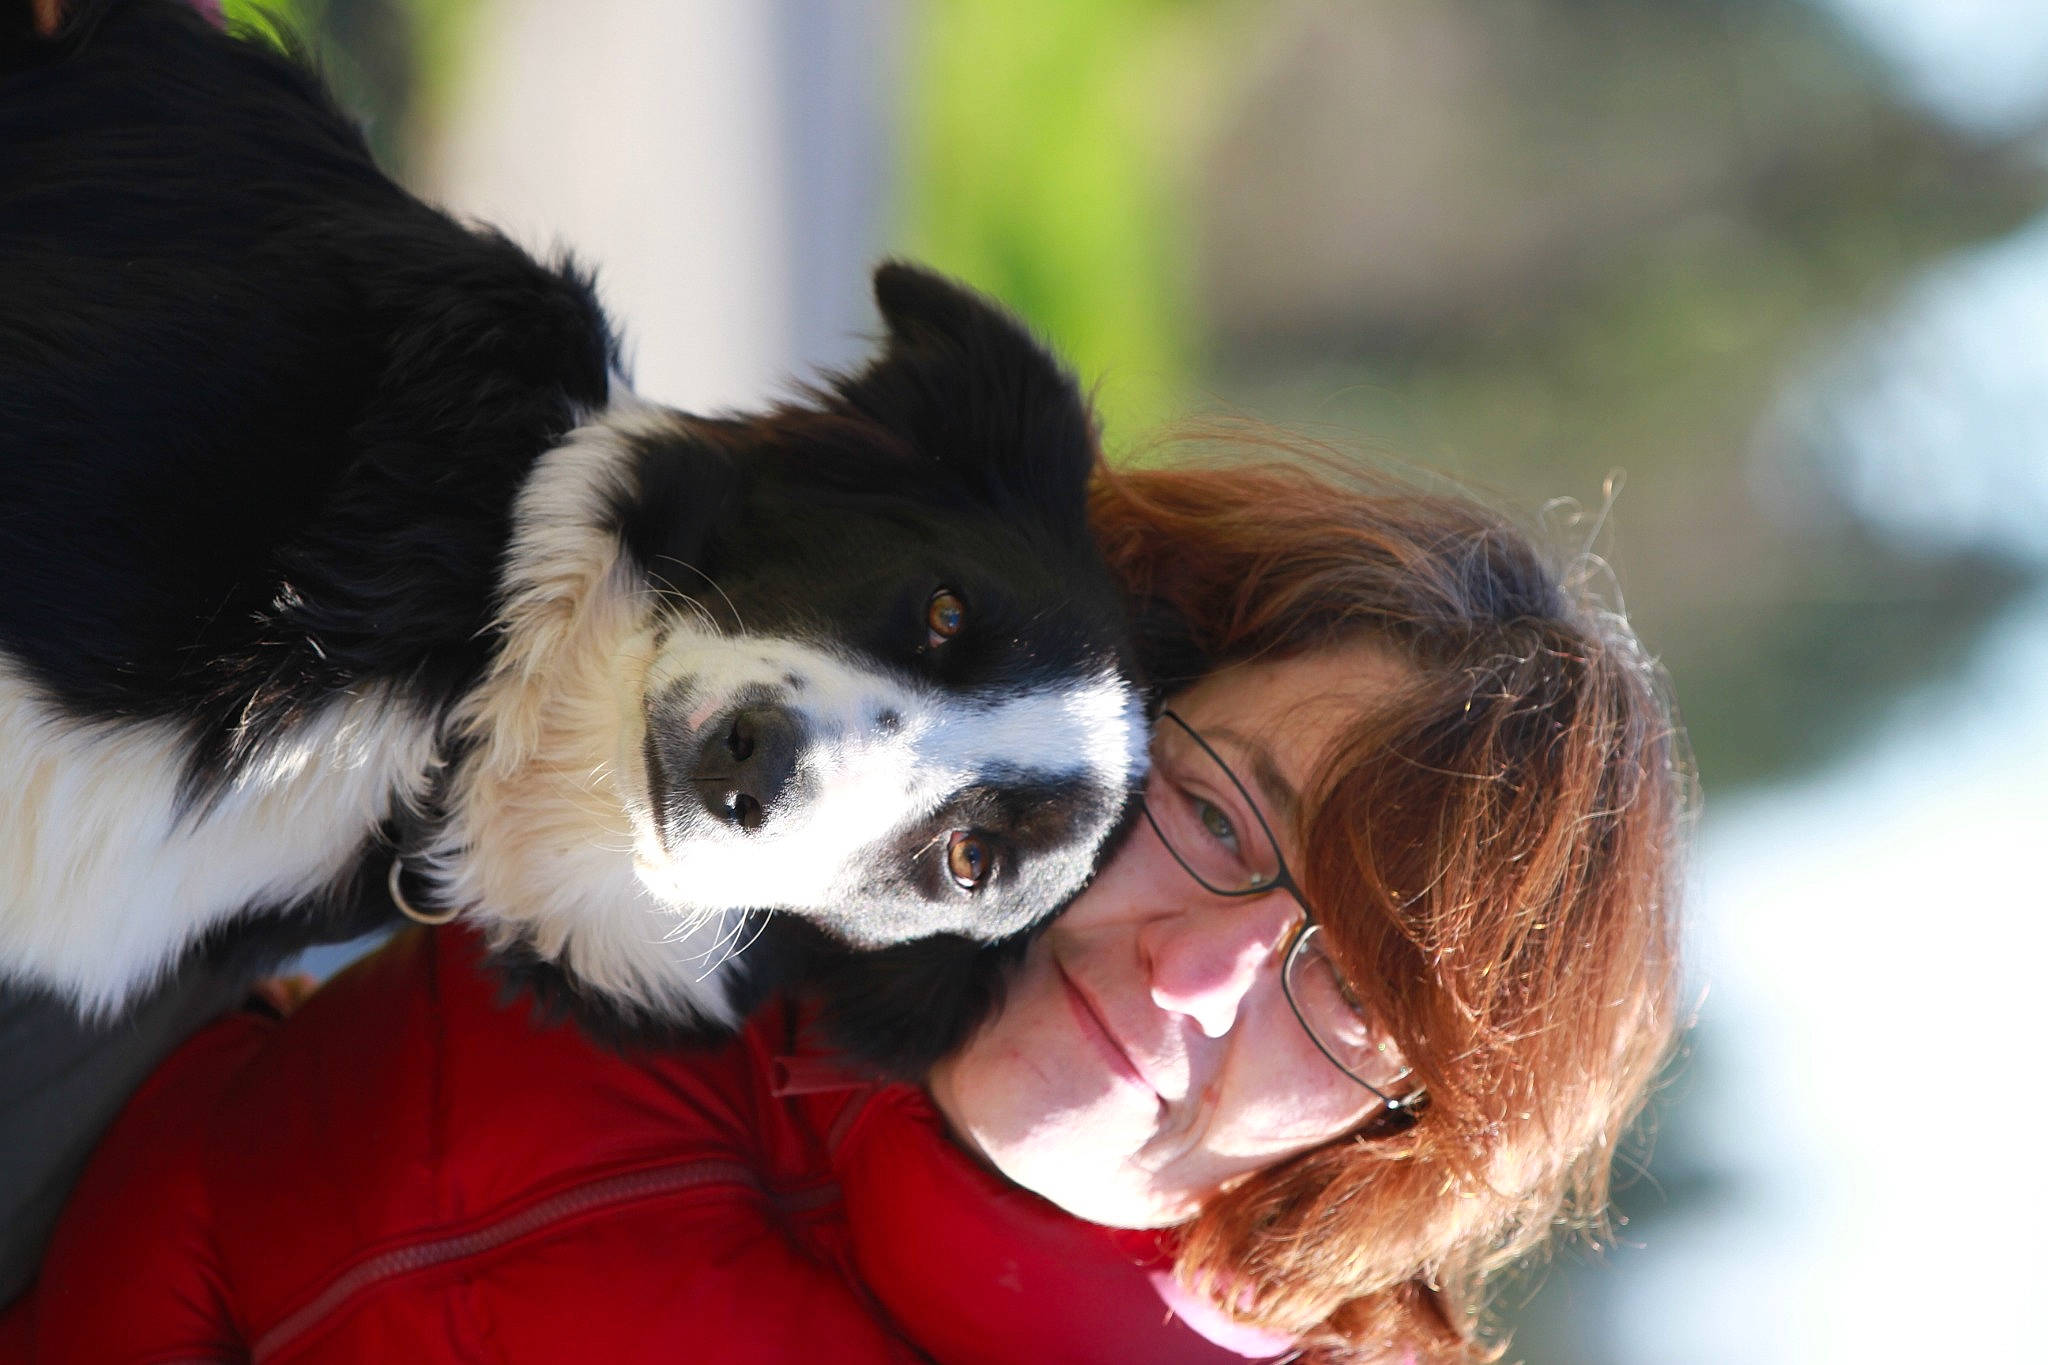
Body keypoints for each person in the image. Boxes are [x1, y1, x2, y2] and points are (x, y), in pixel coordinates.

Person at [1, 437, 1689, 1364]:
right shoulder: (802, 769)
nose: (1199, 969)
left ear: (1391, 1140)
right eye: (1224, 810)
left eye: (1346, 995)